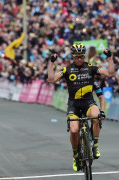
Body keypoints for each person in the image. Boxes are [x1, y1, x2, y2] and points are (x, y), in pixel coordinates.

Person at [47, 43, 114, 172]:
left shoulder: (91, 67)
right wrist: (51, 63)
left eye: (82, 57)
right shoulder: (67, 70)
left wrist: (110, 58)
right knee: (74, 131)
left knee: (96, 117)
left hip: (88, 102)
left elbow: (110, 73)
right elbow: (51, 79)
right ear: (72, 56)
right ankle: (76, 155)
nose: (79, 59)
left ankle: (95, 145)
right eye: (77, 57)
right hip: (74, 105)